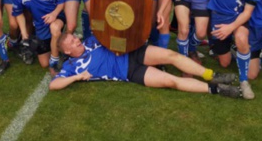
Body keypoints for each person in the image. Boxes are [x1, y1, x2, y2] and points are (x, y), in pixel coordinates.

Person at [50, 33, 241, 99]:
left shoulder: (92, 40)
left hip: (133, 52)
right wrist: (76, 77)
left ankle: (210, 74)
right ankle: (218, 89)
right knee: (170, 81)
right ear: (67, 51)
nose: (77, 41)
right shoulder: (71, 67)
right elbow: (53, 85)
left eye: (75, 38)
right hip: (129, 72)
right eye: (73, 43)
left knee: (171, 55)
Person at [207, 0, 262, 99]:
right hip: (217, 16)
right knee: (224, 63)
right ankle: (234, 48)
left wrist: (230, 28)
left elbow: (247, 12)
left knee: (241, 37)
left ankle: (244, 82)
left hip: (237, 20)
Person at [13, 0, 65, 76]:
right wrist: (24, 35)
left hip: (57, 19)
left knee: (55, 29)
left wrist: (54, 14)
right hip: (41, 27)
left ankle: (54, 63)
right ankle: (55, 46)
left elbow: (61, 3)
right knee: (43, 64)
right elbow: (18, 14)